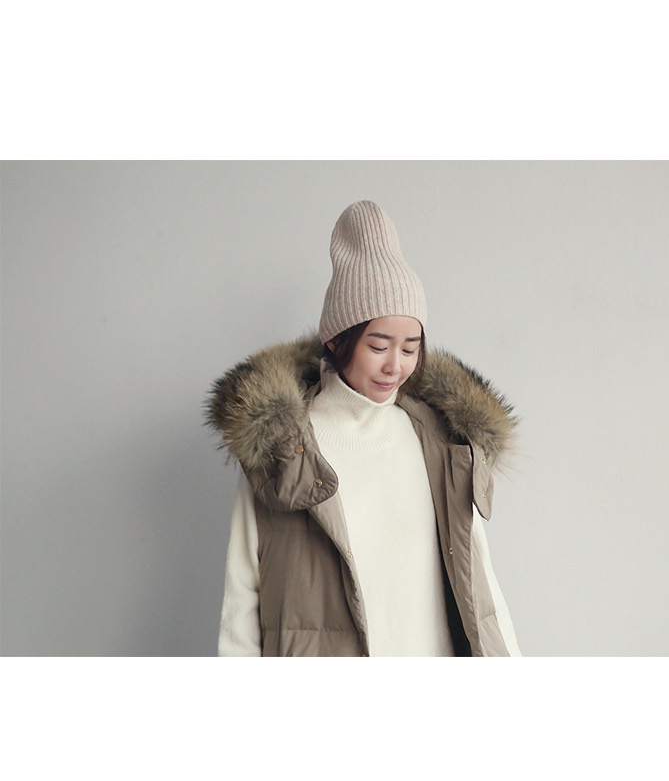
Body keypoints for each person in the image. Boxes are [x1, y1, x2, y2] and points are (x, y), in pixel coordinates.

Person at [212, 195, 518, 660]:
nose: (396, 365)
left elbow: (483, 589)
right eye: (378, 346)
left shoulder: (442, 443)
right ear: (338, 341)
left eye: (410, 347)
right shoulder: (282, 448)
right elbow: (242, 594)